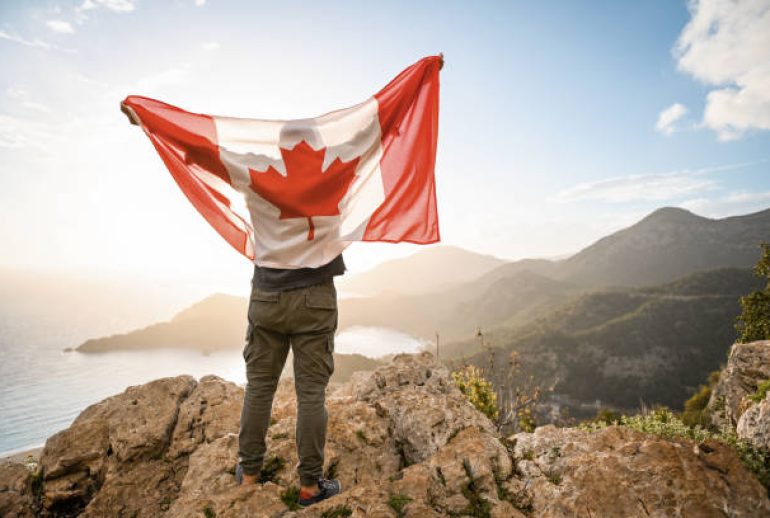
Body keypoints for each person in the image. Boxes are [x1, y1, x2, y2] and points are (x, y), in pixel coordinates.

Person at [119, 103, 344, 507]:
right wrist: (424, 78)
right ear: (319, 144)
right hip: (316, 298)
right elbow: (387, 133)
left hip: (268, 296)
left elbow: (200, 148)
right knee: (312, 395)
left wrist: (148, 119)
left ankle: (251, 473)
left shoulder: (257, 171)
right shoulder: (339, 174)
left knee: (259, 387)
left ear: (280, 145)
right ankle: (310, 485)